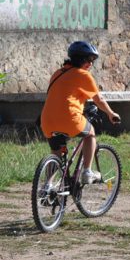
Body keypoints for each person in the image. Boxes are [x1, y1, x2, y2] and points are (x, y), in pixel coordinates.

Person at [40, 41, 121, 184]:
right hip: (69, 119)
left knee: (57, 153)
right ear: (79, 59)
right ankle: (87, 172)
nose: (91, 64)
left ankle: (48, 187)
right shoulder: (83, 75)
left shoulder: (57, 73)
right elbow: (99, 99)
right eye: (88, 60)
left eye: (93, 61)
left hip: (47, 120)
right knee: (90, 134)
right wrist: (111, 113)